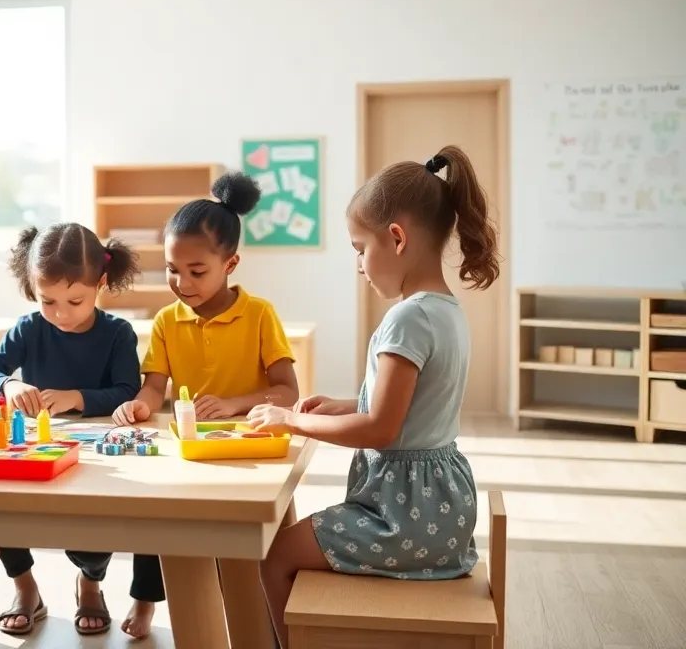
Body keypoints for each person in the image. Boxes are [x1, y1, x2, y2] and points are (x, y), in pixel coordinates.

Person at [246, 145, 499, 648]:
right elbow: (409, 409)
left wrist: (289, 420)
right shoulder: (446, 311)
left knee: (274, 557)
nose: (360, 264)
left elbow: (382, 429)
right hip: (443, 509)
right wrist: (342, 405)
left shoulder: (408, 318)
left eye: (360, 248)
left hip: (402, 515)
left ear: (397, 238)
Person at [110, 171, 301, 638]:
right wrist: (140, 404)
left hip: (253, 454)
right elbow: (155, 387)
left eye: (197, 272)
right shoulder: (166, 321)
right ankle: (161, 605)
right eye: (172, 269)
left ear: (230, 263)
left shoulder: (259, 315)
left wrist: (234, 405)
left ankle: (266, 626)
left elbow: (287, 391)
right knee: (169, 532)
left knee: (253, 563)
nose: (181, 282)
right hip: (193, 451)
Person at [0, 222, 142, 637]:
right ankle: (25, 588)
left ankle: (90, 583)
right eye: (48, 301)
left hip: (96, 453)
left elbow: (127, 390)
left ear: (101, 283)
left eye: (75, 300)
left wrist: (77, 398)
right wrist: (9, 384)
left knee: (97, 523)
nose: (61, 313)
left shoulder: (117, 333)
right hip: (36, 448)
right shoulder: (30, 328)